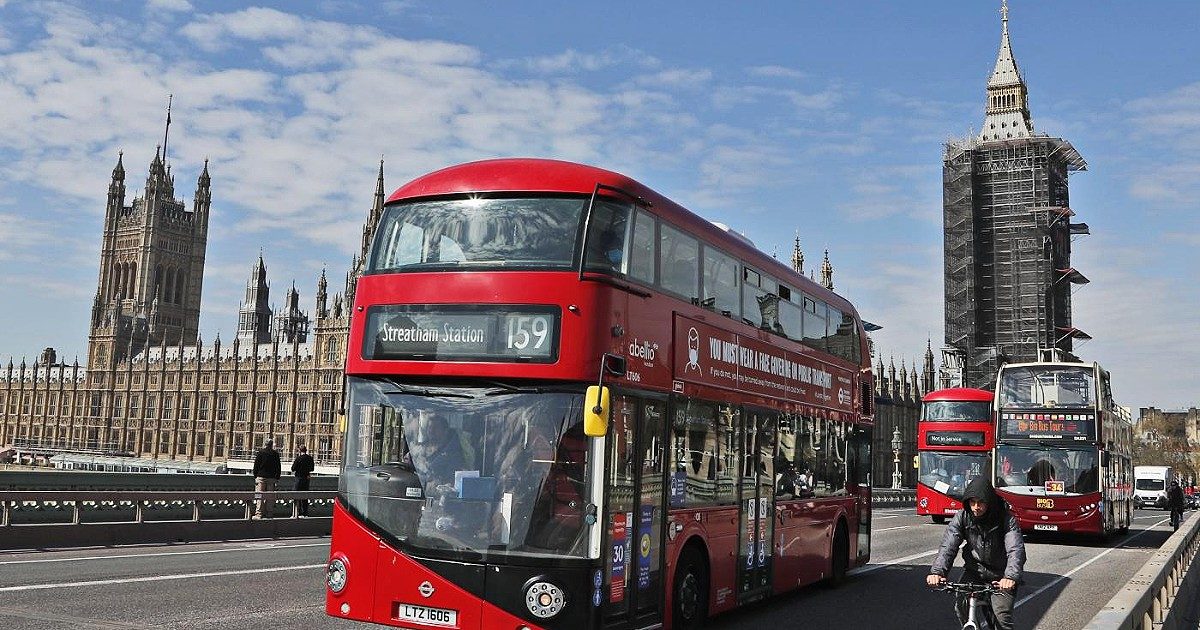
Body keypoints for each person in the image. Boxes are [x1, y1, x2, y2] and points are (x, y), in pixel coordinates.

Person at [927, 476, 1026, 630]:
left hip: (1000, 575)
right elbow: (949, 546)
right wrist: (938, 572)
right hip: (974, 572)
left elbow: (1015, 549)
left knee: (1001, 616)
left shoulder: (1006, 519)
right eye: (972, 502)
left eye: (980, 503)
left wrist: (1010, 577)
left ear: (989, 502)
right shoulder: (963, 516)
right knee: (961, 606)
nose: (976, 507)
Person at [252, 439, 282, 519]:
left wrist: (255, 476)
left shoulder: (261, 453)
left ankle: (259, 514)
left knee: (260, 496)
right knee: (270, 497)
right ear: (272, 445)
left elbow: (256, 466)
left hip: (261, 477)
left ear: (265, 444)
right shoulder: (275, 454)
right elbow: (278, 467)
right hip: (271, 478)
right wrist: (277, 477)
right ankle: (269, 513)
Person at [291, 444, 315, 517]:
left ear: (299, 451)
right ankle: (305, 513)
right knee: (305, 496)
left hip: (299, 478)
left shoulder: (298, 458)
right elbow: (312, 469)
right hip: (306, 479)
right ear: (306, 450)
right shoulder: (310, 458)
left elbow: (293, 469)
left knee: (296, 496)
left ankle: (296, 512)